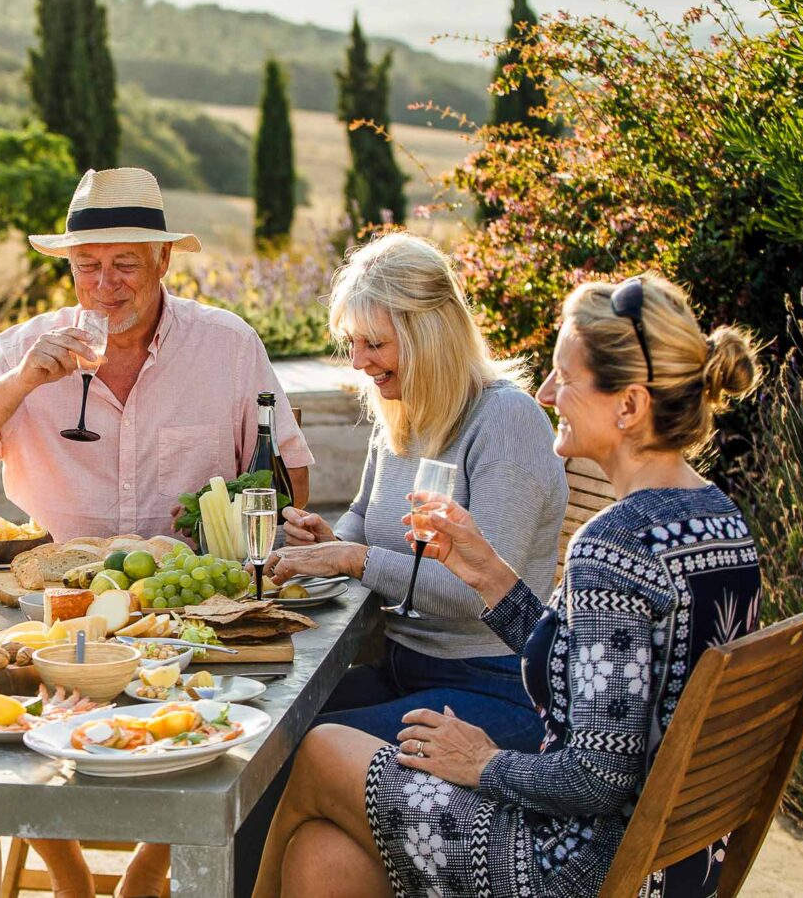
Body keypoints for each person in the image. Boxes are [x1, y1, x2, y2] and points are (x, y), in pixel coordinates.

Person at [255, 273, 763, 897]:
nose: (547, 393)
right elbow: (595, 673)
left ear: (627, 407)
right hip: (672, 864)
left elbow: (596, 779)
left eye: (565, 378)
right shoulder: (720, 522)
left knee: (322, 749)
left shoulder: (614, 545)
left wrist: (482, 762)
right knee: (323, 855)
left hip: (570, 866)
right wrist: (490, 577)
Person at [0, 167, 312, 897]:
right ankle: (68, 879)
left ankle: (144, 870)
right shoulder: (27, 347)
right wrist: (20, 384)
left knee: (231, 713)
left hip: (182, 613)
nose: (105, 283)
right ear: (68, 267)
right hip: (49, 615)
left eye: (126, 262)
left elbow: (288, 479)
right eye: (87, 265)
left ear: (163, 260)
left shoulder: (226, 344)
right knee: (7, 710)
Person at [234, 232, 570, 892]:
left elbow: (479, 591)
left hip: (493, 690)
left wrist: (355, 558)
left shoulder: (505, 421)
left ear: (428, 334)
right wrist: (324, 538)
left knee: (298, 752)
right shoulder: (406, 411)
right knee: (260, 739)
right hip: (405, 672)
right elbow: (363, 517)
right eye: (351, 342)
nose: (358, 361)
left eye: (374, 343)